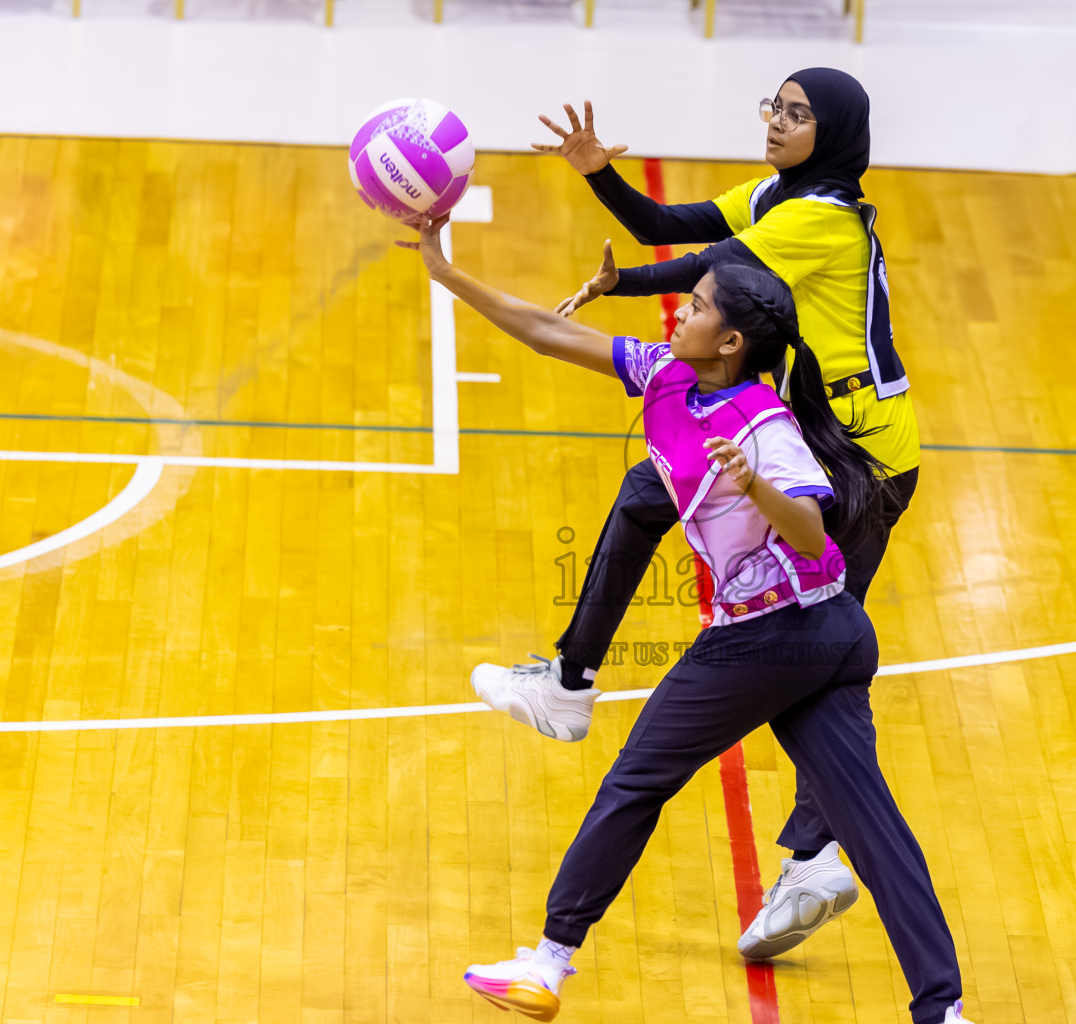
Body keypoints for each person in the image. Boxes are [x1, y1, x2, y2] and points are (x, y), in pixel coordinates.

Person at [400, 214, 966, 1024]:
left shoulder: (765, 428)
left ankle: (549, 964)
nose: (679, 312)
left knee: (636, 780)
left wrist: (757, 484)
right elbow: (544, 333)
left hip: (769, 638)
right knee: (870, 822)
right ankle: (941, 1011)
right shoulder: (667, 374)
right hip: (828, 634)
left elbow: (813, 529)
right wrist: (444, 271)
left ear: (731, 342)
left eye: (696, 306)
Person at [473, 68, 919, 960]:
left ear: (830, 132)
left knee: (825, 651)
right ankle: (571, 679)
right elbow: (668, 225)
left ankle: (815, 853)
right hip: (815, 427)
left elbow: (715, 273)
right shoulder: (776, 191)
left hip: (862, 453)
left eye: (798, 115)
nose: (778, 123)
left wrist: (620, 289)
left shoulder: (821, 217)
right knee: (652, 493)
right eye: (775, 107)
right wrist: (598, 173)